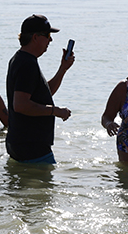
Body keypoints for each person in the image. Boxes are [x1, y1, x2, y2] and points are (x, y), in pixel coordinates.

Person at [5, 14, 75, 164]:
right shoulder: (27, 64)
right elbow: (21, 105)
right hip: (31, 146)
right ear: (35, 37)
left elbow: (42, 94)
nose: (50, 40)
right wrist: (55, 111)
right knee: (44, 187)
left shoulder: (22, 59)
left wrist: (63, 69)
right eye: (47, 35)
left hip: (21, 143)